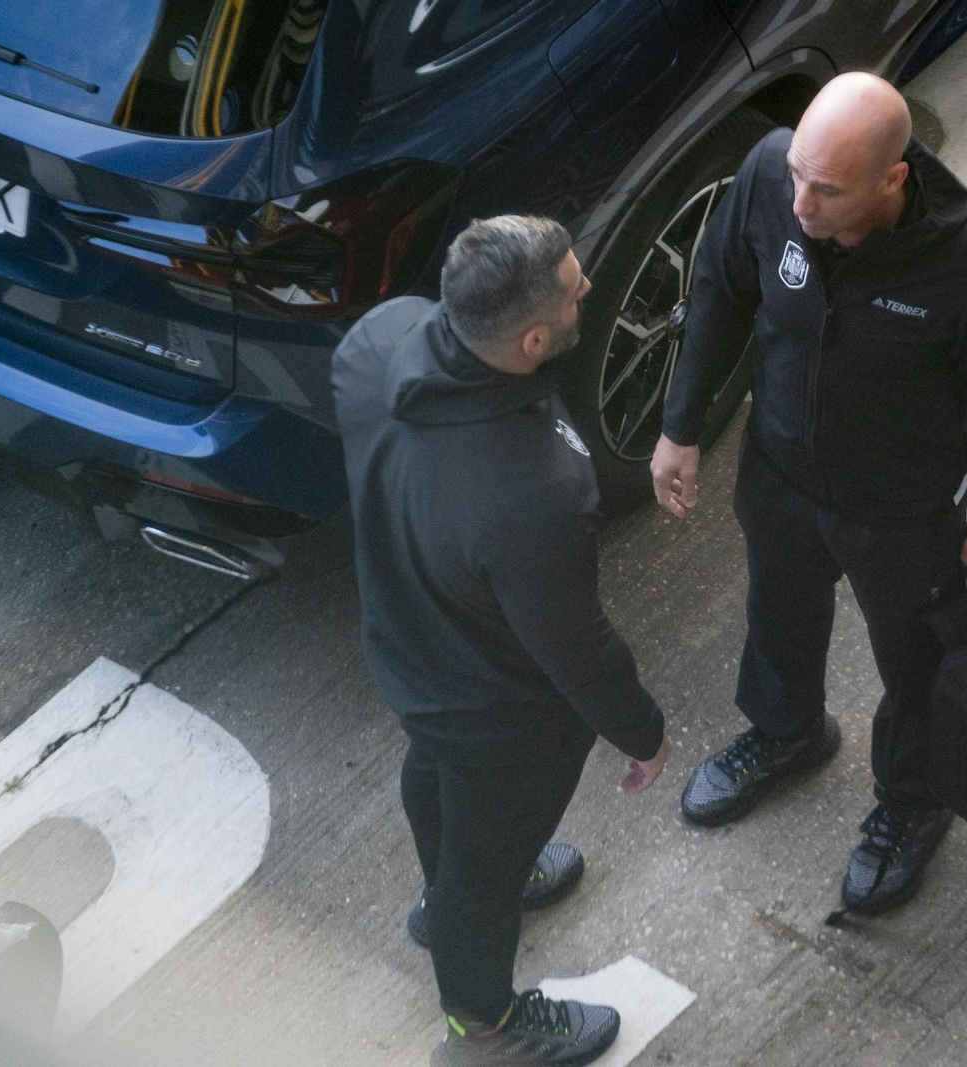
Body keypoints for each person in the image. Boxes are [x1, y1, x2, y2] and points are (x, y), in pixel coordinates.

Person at [650, 72, 967, 915]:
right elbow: (719, 287)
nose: (799, 203)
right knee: (778, 610)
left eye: (826, 189)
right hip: (782, 472)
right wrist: (680, 425)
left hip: (899, 511)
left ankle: (914, 799)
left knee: (915, 660)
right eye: (797, 173)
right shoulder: (767, 177)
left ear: (892, 181)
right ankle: (787, 730)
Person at [333, 215, 674, 1066]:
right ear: (531, 339)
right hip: (499, 710)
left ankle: (450, 891)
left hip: (411, 647)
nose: (587, 285)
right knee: (483, 869)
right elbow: (574, 645)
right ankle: (482, 1021)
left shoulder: (378, 343)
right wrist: (641, 729)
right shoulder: (533, 493)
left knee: (436, 777)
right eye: (573, 286)